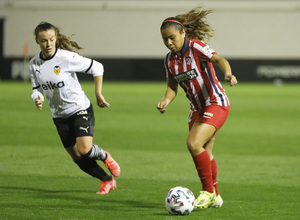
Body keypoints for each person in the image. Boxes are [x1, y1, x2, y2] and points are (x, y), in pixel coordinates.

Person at [157, 8, 237, 208]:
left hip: (215, 102)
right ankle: (216, 195)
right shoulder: (169, 60)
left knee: (193, 143)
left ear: (183, 33)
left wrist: (227, 73)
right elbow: (172, 86)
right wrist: (166, 100)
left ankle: (207, 191)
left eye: (172, 38)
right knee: (205, 153)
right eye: (165, 39)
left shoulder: (195, 47)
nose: (169, 42)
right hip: (196, 109)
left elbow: (218, 59)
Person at [29, 22, 120, 194]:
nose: (48, 44)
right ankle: (107, 180)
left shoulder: (65, 58)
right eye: (43, 41)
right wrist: (37, 98)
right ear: (37, 41)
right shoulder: (34, 64)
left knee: (84, 149)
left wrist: (98, 93)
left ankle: (104, 155)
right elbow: (36, 89)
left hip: (80, 109)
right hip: (59, 116)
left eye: (51, 39)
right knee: (76, 156)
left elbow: (97, 67)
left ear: (56, 38)